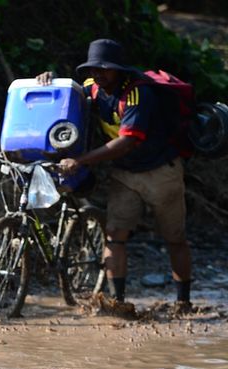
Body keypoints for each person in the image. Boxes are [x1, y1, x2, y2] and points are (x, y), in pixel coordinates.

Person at [37, 38, 193, 313]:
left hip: (160, 172)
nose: (98, 74)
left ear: (119, 70)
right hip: (124, 173)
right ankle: (117, 301)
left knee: (175, 238)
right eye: (93, 69)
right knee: (115, 235)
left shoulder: (137, 94)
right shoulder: (93, 88)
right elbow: (65, 94)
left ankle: (183, 303)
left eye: (105, 69)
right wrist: (49, 81)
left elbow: (127, 141)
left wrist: (81, 160)